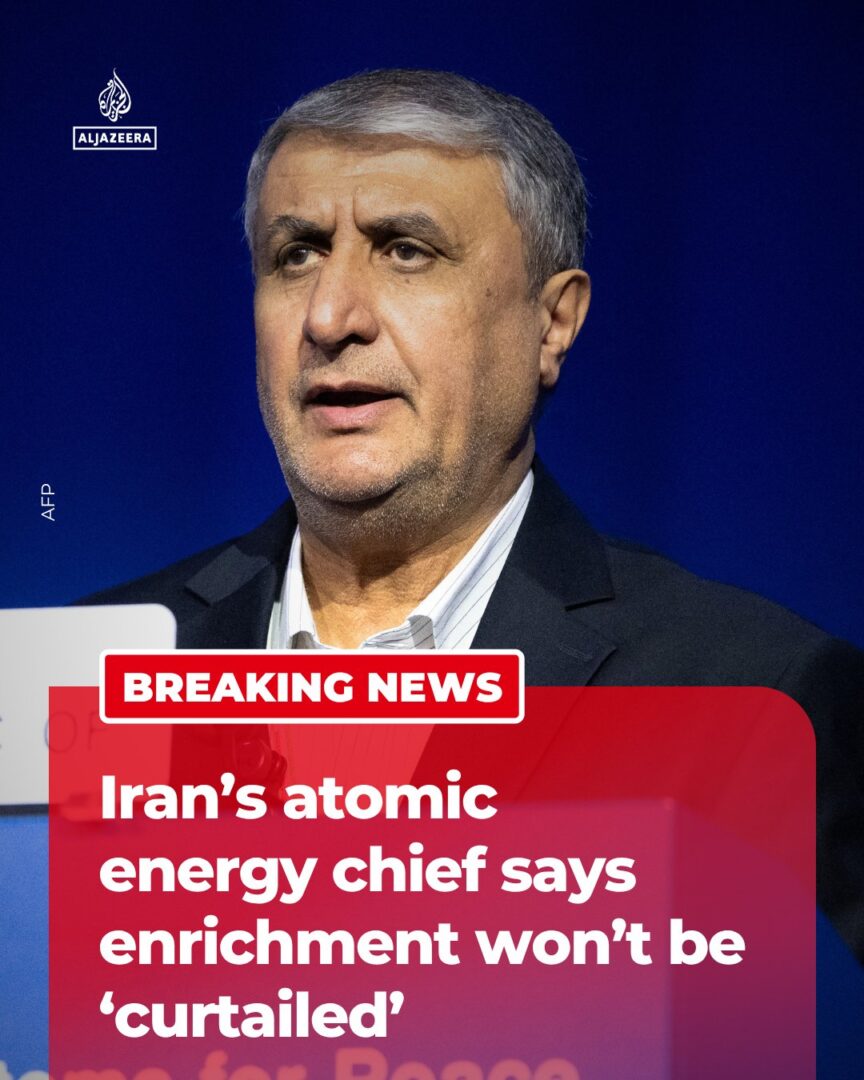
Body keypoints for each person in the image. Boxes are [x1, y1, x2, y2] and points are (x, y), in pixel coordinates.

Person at [83, 69, 864, 959]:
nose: (330, 317)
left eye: (406, 251)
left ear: (553, 323)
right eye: (296, 254)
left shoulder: (750, 703)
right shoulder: (95, 667)